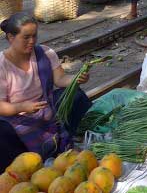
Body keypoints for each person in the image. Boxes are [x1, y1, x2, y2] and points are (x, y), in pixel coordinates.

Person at [0, 13, 92, 169]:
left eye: (34, 36)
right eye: (26, 37)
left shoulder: (45, 53)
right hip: (17, 118)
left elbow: (60, 79)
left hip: (44, 110)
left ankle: (63, 141)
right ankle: (24, 161)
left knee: (76, 95)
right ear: (10, 37)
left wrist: (76, 79)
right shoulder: (2, 65)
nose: (32, 41)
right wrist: (23, 107)